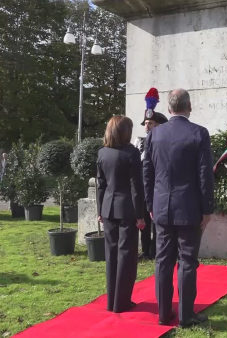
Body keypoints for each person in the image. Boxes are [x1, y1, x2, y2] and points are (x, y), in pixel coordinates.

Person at [143, 88, 214, 328]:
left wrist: (149, 203)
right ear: (189, 106)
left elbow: (147, 173)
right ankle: (185, 315)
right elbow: (205, 175)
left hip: (162, 206)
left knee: (163, 260)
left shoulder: (155, 135)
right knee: (186, 261)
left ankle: (164, 314)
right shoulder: (199, 133)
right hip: (189, 207)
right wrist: (207, 209)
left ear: (170, 108)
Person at [96, 115, 146, 313]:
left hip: (108, 209)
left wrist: (100, 210)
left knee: (111, 255)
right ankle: (122, 302)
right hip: (127, 210)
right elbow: (136, 187)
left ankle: (112, 302)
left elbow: (101, 184)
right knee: (126, 256)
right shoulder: (131, 154)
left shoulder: (102, 153)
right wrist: (140, 214)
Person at [133, 87, 168, 260]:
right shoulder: (138, 143)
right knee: (144, 220)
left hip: (156, 187)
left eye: (151, 124)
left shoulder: (162, 143)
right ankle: (145, 250)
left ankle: (155, 250)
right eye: (146, 124)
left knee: (156, 222)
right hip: (142, 187)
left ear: (158, 125)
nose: (147, 126)